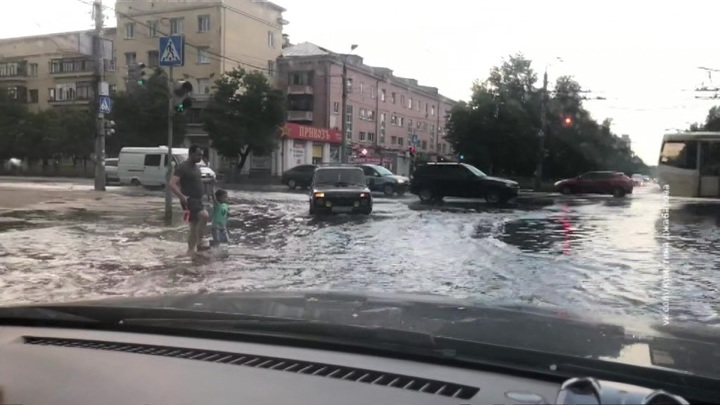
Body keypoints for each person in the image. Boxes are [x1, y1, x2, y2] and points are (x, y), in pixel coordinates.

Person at [169, 144, 210, 256]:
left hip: (197, 199)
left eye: (202, 155)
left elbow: (196, 181)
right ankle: (200, 242)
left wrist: (207, 183)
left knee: (194, 225)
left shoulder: (196, 167)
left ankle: (191, 250)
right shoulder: (183, 167)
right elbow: (172, 184)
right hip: (189, 200)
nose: (200, 157)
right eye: (198, 155)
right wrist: (182, 197)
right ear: (191, 154)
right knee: (204, 216)